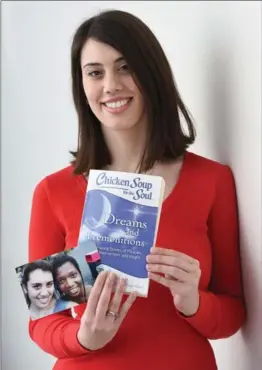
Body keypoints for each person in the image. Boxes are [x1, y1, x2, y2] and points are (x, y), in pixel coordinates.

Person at [28, 9, 246, 370]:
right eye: (95, 73)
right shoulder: (53, 192)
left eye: (125, 67)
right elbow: (41, 321)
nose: (111, 84)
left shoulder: (212, 181)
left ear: (152, 73)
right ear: (82, 86)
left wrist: (193, 301)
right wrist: (83, 337)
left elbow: (234, 312)